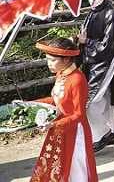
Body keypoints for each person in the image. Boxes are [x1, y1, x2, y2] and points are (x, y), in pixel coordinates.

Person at [30, 38, 99, 182]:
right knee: (56, 167)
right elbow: (56, 100)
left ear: (67, 58)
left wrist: (54, 125)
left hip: (75, 131)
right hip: (60, 127)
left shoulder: (77, 80)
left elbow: (79, 115)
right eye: (47, 59)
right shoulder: (61, 73)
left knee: (76, 170)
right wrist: (28, 104)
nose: (48, 63)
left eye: (53, 60)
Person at [77, 0, 114, 153]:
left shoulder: (111, 13)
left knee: (89, 101)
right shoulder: (92, 12)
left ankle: (103, 133)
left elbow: (107, 45)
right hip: (93, 61)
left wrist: (86, 42)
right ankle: (111, 133)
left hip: (105, 62)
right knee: (105, 97)